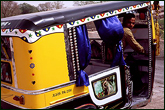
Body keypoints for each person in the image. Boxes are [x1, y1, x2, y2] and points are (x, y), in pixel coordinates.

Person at [122, 13, 147, 95]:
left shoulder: (122, 29)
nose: (131, 25)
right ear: (124, 22)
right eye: (129, 22)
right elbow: (135, 44)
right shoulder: (126, 31)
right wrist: (143, 50)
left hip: (119, 56)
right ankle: (138, 87)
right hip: (120, 58)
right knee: (133, 64)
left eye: (133, 23)